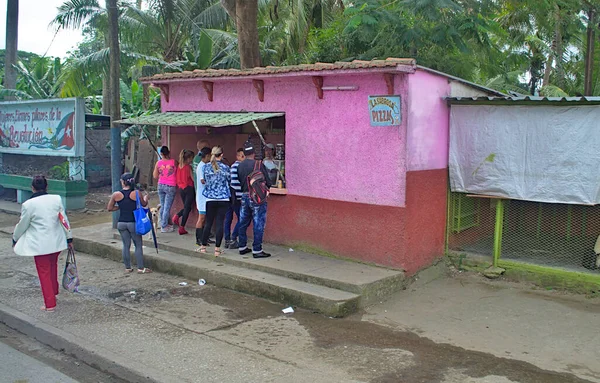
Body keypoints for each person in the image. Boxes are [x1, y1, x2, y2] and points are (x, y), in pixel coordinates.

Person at [12, 176, 73, 312]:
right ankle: (54, 292)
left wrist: (15, 238)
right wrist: (69, 238)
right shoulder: (56, 199)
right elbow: (64, 220)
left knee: (44, 272)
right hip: (56, 241)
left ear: (32, 187)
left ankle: (50, 303)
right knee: (52, 266)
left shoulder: (28, 205)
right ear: (47, 187)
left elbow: (23, 225)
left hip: (40, 245)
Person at [107, 173, 152, 274]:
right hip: (133, 223)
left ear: (123, 182)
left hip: (121, 223)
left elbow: (109, 208)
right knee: (138, 245)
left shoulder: (116, 194)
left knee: (126, 245)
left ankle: (127, 267)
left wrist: (119, 207)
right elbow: (144, 204)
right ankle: (140, 268)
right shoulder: (136, 193)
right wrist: (146, 198)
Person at [236, 141, 272, 258]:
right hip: (256, 198)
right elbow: (269, 181)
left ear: (244, 153)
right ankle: (257, 250)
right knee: (258, 223)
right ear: (254, 153)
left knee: (243, 222)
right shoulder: (259, 164)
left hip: (244, 196)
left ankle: (242, 246)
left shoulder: (239, 165)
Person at [198, 146, 231, 257]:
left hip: (210, 198)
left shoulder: (205, 167)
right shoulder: (226, 168)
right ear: (221, 155)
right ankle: (217, 249)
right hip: (223, 198)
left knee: (208, 222)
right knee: (220, 223)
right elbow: (229, 181)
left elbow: (204, 181)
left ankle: (203, 247)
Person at [153, 146, 177, 233]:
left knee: (163, 205)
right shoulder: (174, 162)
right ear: (169, 152)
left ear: (161, 154)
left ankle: (161, 223)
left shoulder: (158, 163)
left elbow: (155, 176)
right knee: (167, 207)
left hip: (161, 185)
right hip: (171, 185)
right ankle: (164, 226)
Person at [224, 148, 245, 249]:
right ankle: (233, 238)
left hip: (229, 196)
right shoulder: (241, 167)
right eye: (242, 155)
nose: (243, 158)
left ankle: (227, 239)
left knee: (228, 218)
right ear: (238, 156)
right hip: (237, 197)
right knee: (242, 218)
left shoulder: (232, 166)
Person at [173, 149, 196, 235]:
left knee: (187, 207)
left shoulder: (179, 166)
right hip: (189, 188)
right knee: (187, 208)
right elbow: (193, 178)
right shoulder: (188, 167)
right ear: (189, 158)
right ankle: (182, 226)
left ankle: (177, 215)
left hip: (181, 189)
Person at [195, 146, 212, 246]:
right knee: (201, 218)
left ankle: (205, 236)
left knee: (205, 218)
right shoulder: (201, 166)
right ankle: (199, 238)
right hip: (202, 196)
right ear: (207, 156)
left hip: (206, 196)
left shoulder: (205, 165)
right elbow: (203, 180)